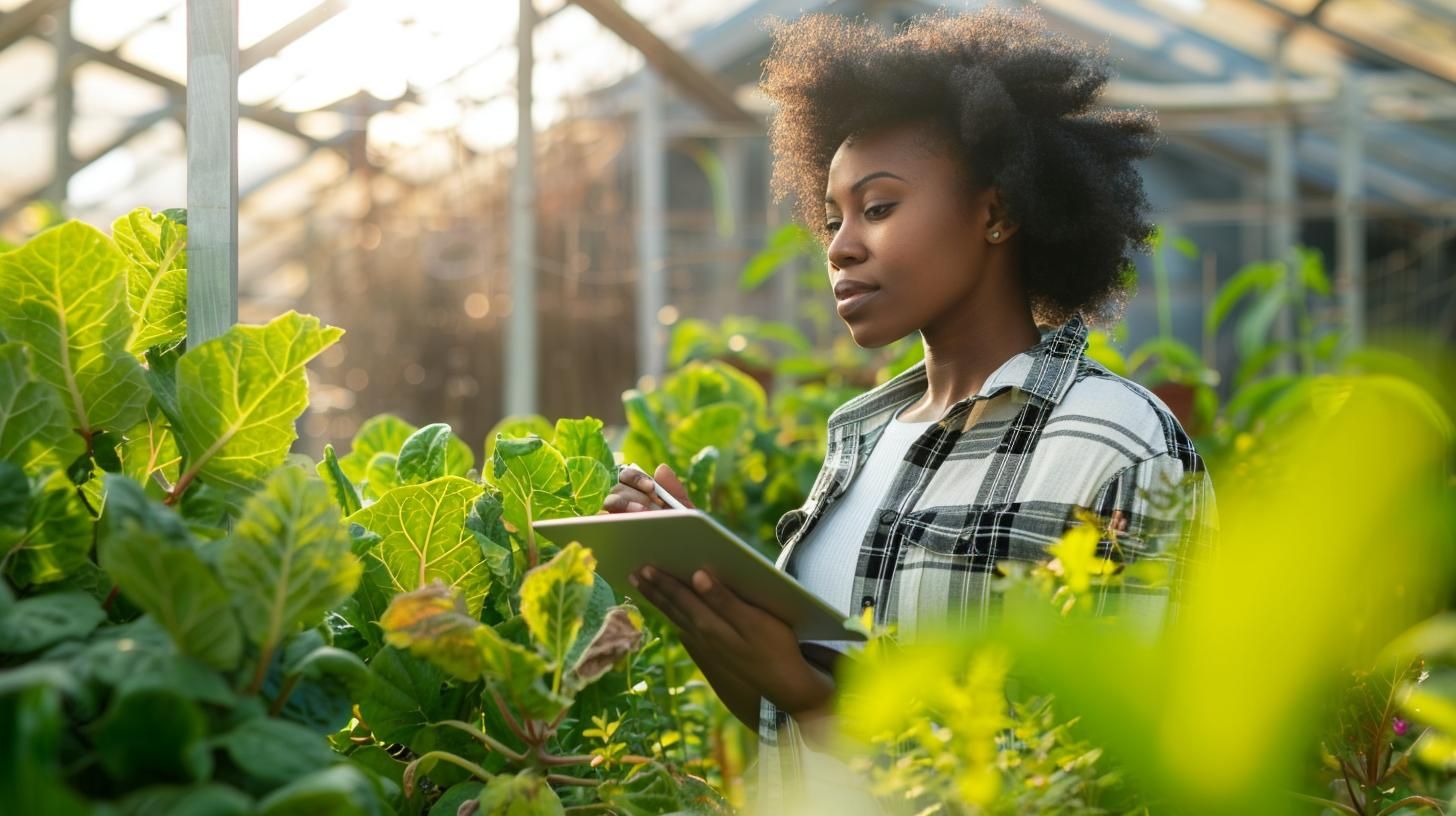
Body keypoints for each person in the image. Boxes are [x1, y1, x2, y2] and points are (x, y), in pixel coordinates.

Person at [602, 7, 1217, 813]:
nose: (839, 246)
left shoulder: (1115, 445)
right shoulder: (861, 443)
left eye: (879, 207)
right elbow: (793, 730)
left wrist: (820, 699)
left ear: (996, 213)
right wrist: (715, 612)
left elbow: (1120, 759)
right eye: (832, 218)